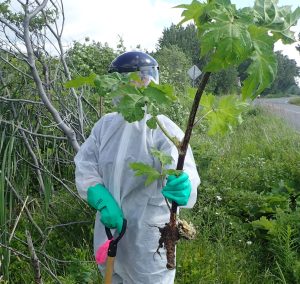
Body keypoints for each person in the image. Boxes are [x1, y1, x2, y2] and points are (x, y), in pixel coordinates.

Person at [74, 51, 200, 284]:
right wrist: (99, 195)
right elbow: (85, 165)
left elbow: (184, 170)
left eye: (142, 79)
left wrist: (184, 183)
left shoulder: (161, 127)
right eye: (128, 81)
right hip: (109, 232)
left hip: (149, 241)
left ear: (151, 82)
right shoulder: (105, 126)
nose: (137, 85)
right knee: (112, 277)